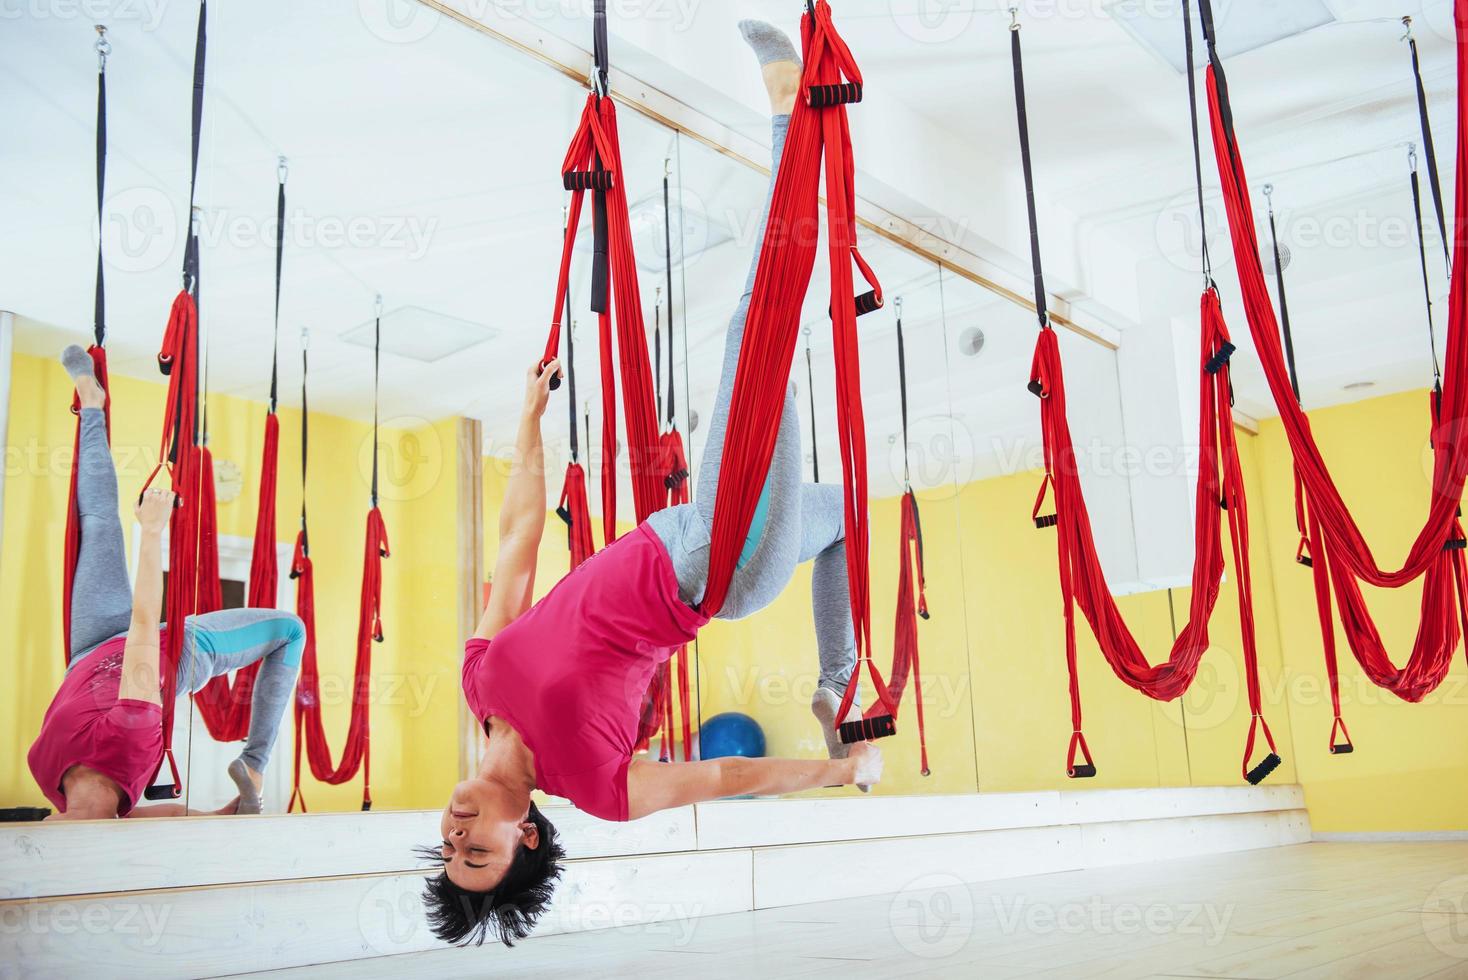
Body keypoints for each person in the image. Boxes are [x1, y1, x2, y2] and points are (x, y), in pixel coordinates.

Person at [424, 20, 880, 947]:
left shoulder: (478, 682)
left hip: (684, 529)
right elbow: (727, 779)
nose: (457, 834)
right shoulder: (600, 789)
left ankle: (834, 688)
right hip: (711, 564)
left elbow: (516, 541)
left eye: (446, 848)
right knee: (755, 336)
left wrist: (526, 421)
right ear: (532, 836)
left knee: (843, 521)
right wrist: (837, 777)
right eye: (478, 855)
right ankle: (794, 118)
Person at [27, 346, 307, 819]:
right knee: (290, 630)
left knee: (98, 524)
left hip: (106, 649)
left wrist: (153, 533)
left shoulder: (73, 766)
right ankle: (255, 763)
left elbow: (141, 621)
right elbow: (141, 627)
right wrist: (222, 818)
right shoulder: (98, 755)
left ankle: (91, 404)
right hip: (152, 656)